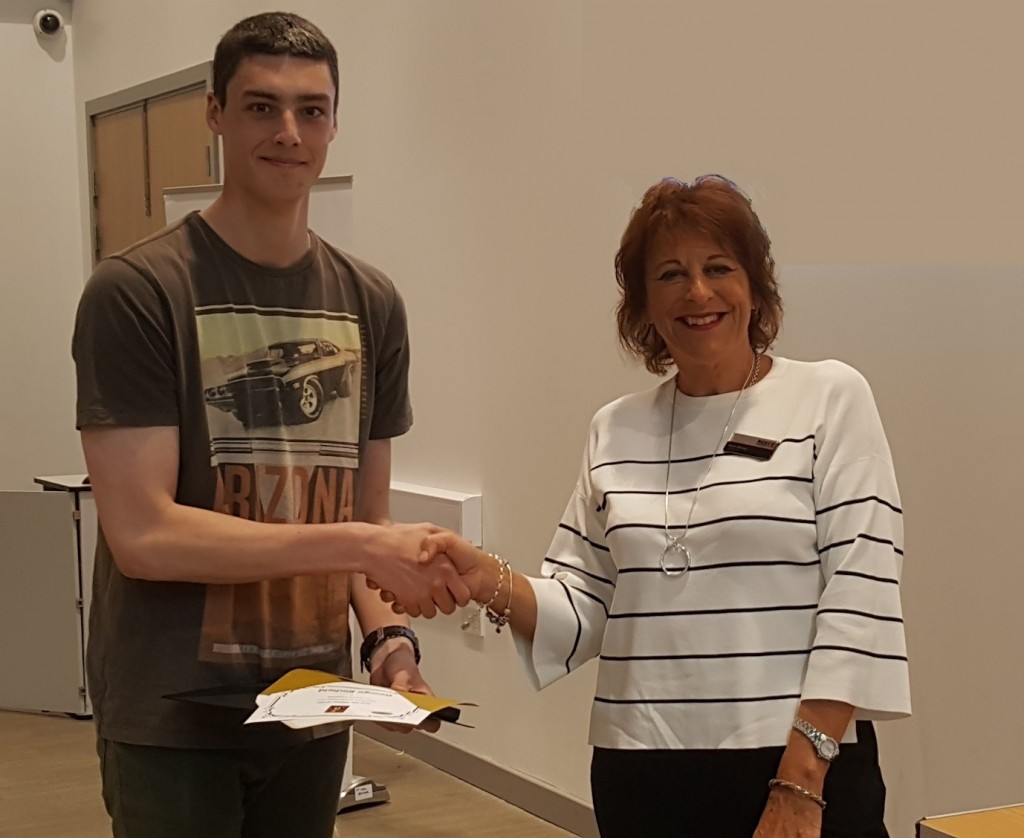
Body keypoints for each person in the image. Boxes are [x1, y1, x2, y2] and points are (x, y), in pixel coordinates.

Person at [410, 176, 910, 836]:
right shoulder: (615, 429)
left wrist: (802, 780)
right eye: (671, 274)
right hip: (642, 771)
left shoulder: (830, 400)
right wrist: (486, 579)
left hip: (795, 769)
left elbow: (860, 595)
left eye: (718, 268)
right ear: (643, 304)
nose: (697, 292)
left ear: (755, 285)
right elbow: (585, 605)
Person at [71, 13, 468, 838]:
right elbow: (146, 536)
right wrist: (362, 545)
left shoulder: (370, 301)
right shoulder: (139, 291)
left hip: (305, 704)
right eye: (261, 107)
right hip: (172, 718)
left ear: (333, 124)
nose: (289, 133)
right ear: (214, 113)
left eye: (311, 110)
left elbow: (363, 519)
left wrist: (389, 642)